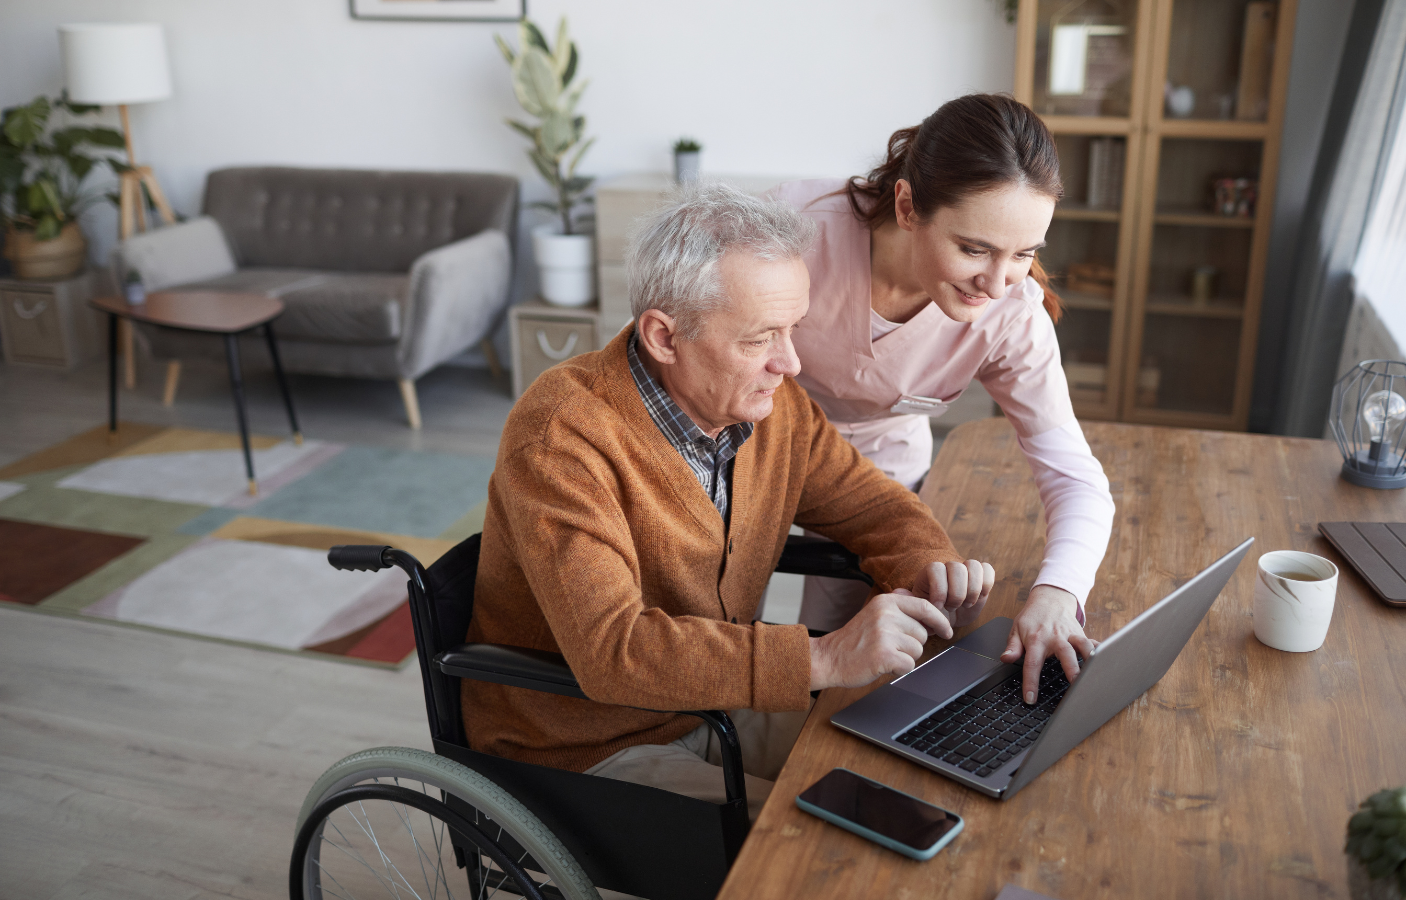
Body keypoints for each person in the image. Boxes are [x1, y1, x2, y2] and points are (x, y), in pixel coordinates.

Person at [463, 183, 995, 819]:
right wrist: (822, 657)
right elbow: (614, 651)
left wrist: (930, 565)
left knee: (921, 759)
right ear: (664, 336)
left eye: (793, 329)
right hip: (588, 742)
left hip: (713, 705)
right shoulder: (561, 434)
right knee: (820, 837)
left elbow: (870, 505)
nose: (791, 363)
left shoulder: (773, 410)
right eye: (760, 339)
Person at [768, 93, 1115, 706]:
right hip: (755, 453)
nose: (997, 281)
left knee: (860, 671)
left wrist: (1060, 592)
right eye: (975, 248)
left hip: (879, 479)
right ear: (907, 206)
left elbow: (1073, 474)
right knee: (746, 639)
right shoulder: (792, 234)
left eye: (1025, 253)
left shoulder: (1010, 314)